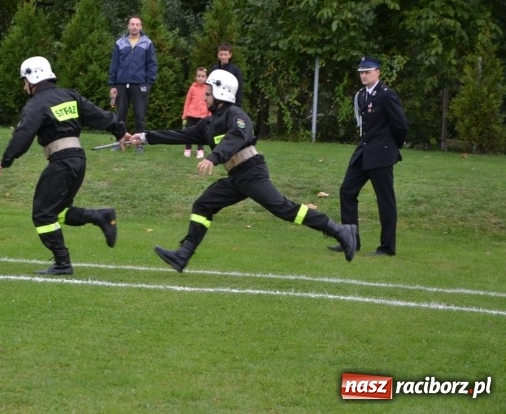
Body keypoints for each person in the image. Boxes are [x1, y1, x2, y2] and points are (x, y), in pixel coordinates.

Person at [123, 70, 358, 272]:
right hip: (236, 177)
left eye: (208, 93)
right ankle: (182, 255)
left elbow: (237, 136)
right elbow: (180, 135)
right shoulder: (209, 123)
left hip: (252, 171)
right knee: (203, 205)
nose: (204, 97)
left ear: (221, 92)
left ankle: (340, 231)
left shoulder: (237, 116)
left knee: (284, 209)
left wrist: (213, 157)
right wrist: (144, 137)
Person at [0, 56, 128, 275]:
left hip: (61, 162)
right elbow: (97, 115)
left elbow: (24, 133)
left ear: (33, 78)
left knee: (42, 214)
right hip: (78, 160)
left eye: (24, 81)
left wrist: (6, 160)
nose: (24, 86)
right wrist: (120, 131)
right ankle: (100, 216)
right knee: (59, 211)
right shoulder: (70, 95)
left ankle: (62, 263)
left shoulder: (37, 103)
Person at [328, 55, 408, 257]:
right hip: (363, 152)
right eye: (361, 73)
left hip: (381, 154)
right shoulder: (361, 95)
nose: (364, 76)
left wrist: (392, 147)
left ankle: (387, 247)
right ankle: (350, 240)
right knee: (347, 191)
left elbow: (401, 125)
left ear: (378, 72)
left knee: (385, 200)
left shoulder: (387, 95)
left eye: (367, 72)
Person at [109, 16, 157, 153]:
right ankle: (119, 141)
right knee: (120, 115)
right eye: (132, 24)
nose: (135, 27)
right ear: (128, 26)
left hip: (140, 84)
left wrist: (148, 83)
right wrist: (112, 85)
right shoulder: (119, 43)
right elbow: (114, 65)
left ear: (141, 27)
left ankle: (139, 144)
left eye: (137, 24)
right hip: (121, 84)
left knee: (139, 116)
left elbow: (152, 65)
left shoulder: (147, 43)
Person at [181, 67, 209, 158]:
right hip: (191, 115)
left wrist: (209, 115)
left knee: (201, 133)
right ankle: (187, 149)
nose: (200, 78)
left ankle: (200, 150)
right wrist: (185, 115)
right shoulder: (192, 88)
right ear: (195, 77)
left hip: (203, 116)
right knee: (189, 132)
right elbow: (187, 102)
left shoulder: (208, 89)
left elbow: (210, 103)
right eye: (199, 76)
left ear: (206, 78)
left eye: (203, 76)